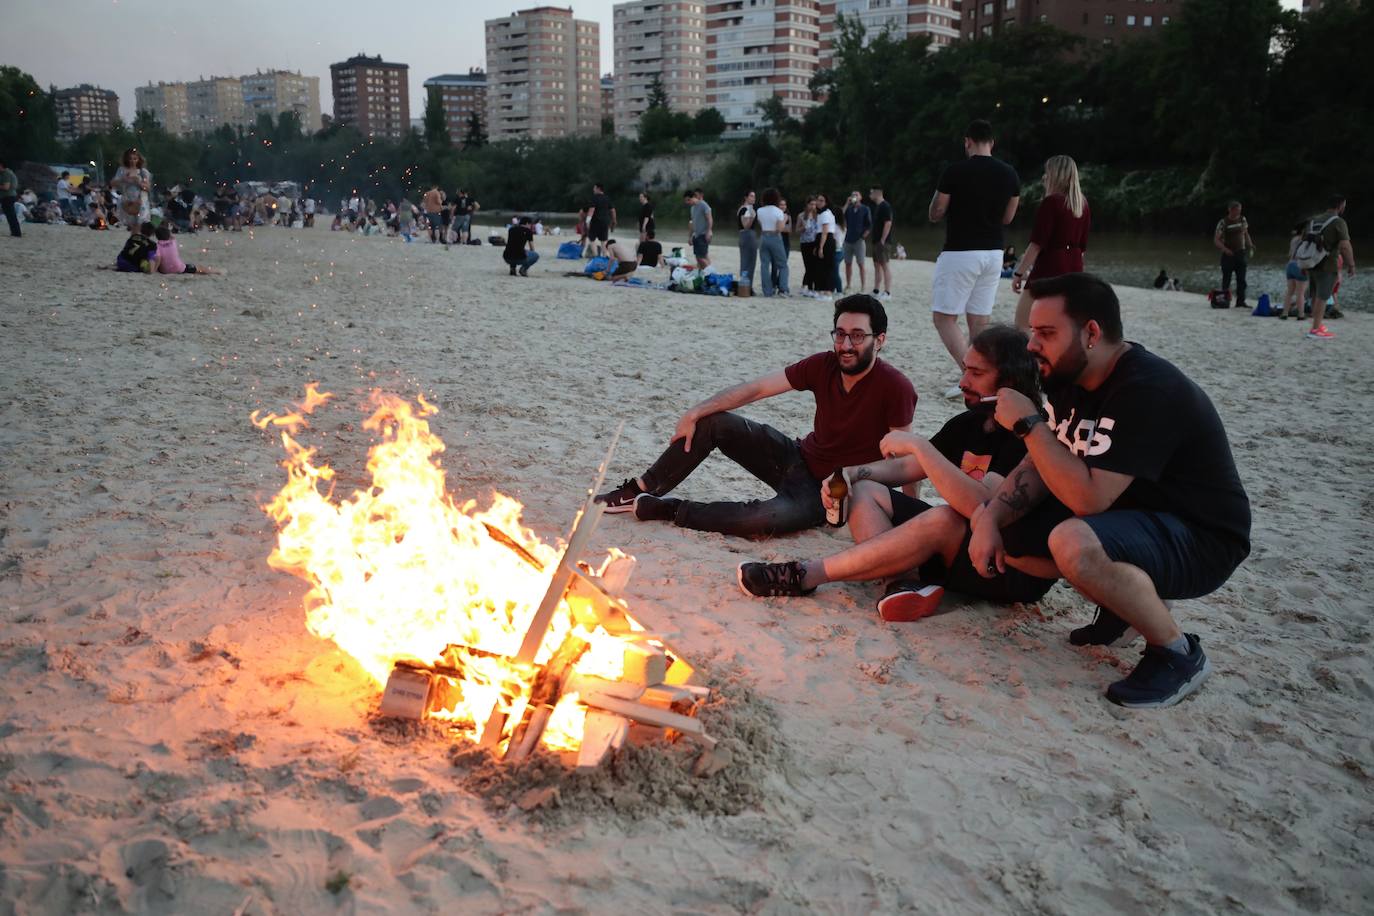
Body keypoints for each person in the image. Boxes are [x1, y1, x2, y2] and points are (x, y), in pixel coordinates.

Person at [967, 272, 1250, 707]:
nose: (1031, 346)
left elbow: (1088, 498)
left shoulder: (1147, 389)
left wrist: (1027, 424)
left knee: (1072, 541)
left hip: (1203, 538)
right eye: (1031, 333)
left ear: (1092, 333)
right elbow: (1044, 462)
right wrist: (990, 518)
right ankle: (1123, 609)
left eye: (1045, 333)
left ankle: (1177, 653)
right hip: (1136, 517)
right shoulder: (1070, 378)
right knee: (1013, 533)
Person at [738, 326, 1055, 616]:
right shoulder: (971, 422)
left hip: (1006, 566)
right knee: (865, 490)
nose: (962, 382)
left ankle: (805, 575)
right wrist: (850, 473)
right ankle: (904, 582)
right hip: (962, 550)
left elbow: (983, 507)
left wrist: (920, 446)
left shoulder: (1027, 432)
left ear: (1009, 381)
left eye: (975, 373)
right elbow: (907, 468)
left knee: (945, 517)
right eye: (964, 369)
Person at [595, 295, 917, 538]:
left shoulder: (895, 387)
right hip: (795, 457)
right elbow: (756, 389)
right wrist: (694, 412)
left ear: (880, 340)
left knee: (761, 520)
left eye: (858, 336)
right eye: (840, 334)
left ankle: (669, 509)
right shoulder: (824, 365)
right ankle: (641, 487)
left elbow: (904, 463)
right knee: (714, 422)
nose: (846, 345)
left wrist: (908, 513)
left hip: (826, 494)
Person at [929, 120, 1021, 397]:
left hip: (960, 250)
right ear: (992, 142)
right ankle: (986, 377)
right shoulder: (1010, 174)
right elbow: (1008, 217)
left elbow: (937, 212)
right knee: (979, 321)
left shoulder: (955, 171)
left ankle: (971, 374)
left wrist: (938, 201)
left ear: (967, 141)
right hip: (994, 252)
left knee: (944, 318)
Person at [1012, 155, 1091, 329]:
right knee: (1059, 324)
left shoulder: (1051, 203)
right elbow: (1082, 247)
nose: (1044, 177)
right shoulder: (1082, 205)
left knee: (1022, 324)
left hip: (1049, 269)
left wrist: (1019, 273)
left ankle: (1028, 357)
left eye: (1047, 173)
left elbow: (1036, 244)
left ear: (1056, 175)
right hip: (1074, 268)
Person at [1303, 194, 1356, 340]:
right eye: (1344, 205)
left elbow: (1304, 240)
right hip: (1328, 264)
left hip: (1311, 262)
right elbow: (1345, 245)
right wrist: (1351, 264)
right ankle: (1315, 329)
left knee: (1314, 295)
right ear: (1340, 206)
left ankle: (1316, 325)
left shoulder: (1314, 219)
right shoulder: (1338, 222)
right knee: (1323, 296)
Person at [1213, 200, 1254, 310]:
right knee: (1226, 279)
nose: (1239, 212)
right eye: (1237, 210)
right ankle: (1224, 301)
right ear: (1230, 210)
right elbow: (1216, 240)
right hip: (1228, 255)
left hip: (1241, 253)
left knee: (1242, 279)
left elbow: (1246, 233)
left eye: (1240, 210)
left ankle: (1241, 301)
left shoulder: (1242, 219)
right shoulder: (1223, 222)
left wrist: (1250, 244)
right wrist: (1225, 250)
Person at [756, 188, 790, 297]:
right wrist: (784, 219)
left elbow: (761, 225)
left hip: (763, 236)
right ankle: (783, 289)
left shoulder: (760, 211)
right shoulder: (779, 211)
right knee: (783, 265)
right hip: (775, 237)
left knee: (764, 265)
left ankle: (767, 291)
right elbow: (780, 228)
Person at [154, 224, 221, 275]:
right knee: (199, 268)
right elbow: (172, 236)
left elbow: (158, 259)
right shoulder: (173, 242)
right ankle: (216, 272)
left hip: (165, 271)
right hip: (179, 268)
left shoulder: (157, 246)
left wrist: (155, 269)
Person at [113, 149, 152, 233]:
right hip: (127, 199)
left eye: (135, 159)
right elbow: (113, 183)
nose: (132, 161)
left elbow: (148, 188)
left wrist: (138, 182)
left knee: (140, 223)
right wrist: (123, 179)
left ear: (138, 159)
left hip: (141, 200)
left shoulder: (143, 172)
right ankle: (134, 238)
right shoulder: (122, 170)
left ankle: (137, 239)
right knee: (132, 224)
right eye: (130, 158)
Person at [842, 191, 872, 293]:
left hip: (859, 240)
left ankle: (863, 286)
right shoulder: (849, 209)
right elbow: (840, 216)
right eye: (852, 195)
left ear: (861, 197)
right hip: (848, 239)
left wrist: (863, 236)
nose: (854, 197)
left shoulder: (865, 209)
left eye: (856, 195)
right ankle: (848, 284)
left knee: (861, 263)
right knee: (847, 263)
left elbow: (869, 225)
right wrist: (847, 203)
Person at [1279, 223, 1308, 320]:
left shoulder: (1294, 239)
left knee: (1289, 292)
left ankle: (1285, 313)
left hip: (1290, 265)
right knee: (1300, 292)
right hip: (1299, 265)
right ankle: (1301, 314)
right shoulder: (1306, 240)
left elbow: (1290, 253)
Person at [869, 187, 894, 299]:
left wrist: (883, 240)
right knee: (876, 265)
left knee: (885, 265)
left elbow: (888, 223)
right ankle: (876, 290)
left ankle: (887, 292)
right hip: (876, 241)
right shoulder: (878, 207)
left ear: (877, 193)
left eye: (871, 193)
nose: (870, 195)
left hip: (882, 242)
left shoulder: (885, 206)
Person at [812, 193, 838, 299]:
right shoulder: (821, 214)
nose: (818, 202)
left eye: (821, 200)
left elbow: (825, 232)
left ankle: (828, 291)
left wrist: (821, 247)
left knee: (827, 266)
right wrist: (817, 246)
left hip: (826, 240)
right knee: (821, 266)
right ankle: (822, 290)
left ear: (826, 202)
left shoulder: (826, 214)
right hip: (822, 239)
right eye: (818, 200)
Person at [737, 190, 760, 292]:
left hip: (744, 236)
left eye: (754, 196)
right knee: (749, 262)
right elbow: (745, 226)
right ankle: (746, 287)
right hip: (747, 235)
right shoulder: (745, 209)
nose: (753, 198)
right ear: (746, 198)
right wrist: (752, 217)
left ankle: (746, 286)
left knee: (747, 262)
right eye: (751, 196)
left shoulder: (747, 209)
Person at [685, 188, 712, 270]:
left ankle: (711, 273)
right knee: (700, 257)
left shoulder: (703, 205)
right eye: (686, 201)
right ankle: (706, 273)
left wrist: (709, 231)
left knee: (700, 257)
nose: (687, 202)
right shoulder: (692, 208)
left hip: (703, 234)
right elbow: (692, 223)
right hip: (696, 235)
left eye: (688, 200)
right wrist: (690, 237)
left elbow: (709, 219)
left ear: (694, 197)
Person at [798, 197, 820, 296]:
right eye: (811, 204)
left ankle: (811, 287)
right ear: (807, 205)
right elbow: (797, 230)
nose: (813, 206)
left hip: (815, 243)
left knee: (815, 266)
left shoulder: (818, 216)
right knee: (808, 265)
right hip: (805, 243)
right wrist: (804, 226)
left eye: (814, 204)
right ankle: (809, 287)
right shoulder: (801, 215)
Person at [587, 182, 615, 257]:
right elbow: (612, 210)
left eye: (594, 188)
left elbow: (591, 210)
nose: (593, 189)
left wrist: (587, 221)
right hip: (605, 222)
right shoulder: (607, 198)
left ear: (598, 189)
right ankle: (605, 255)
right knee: (604, 240)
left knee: (591, 239)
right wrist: (614, 221)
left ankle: (596, 255)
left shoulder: (594, 198)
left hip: (596, 221)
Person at [0, 160, 19, 238]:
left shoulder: (6, 173)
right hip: (8, 196)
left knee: (11, 215)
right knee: (10, 215)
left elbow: (6, 187)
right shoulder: (7, 173)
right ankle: (15, 232)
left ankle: (16, 233)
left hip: (7, 196)